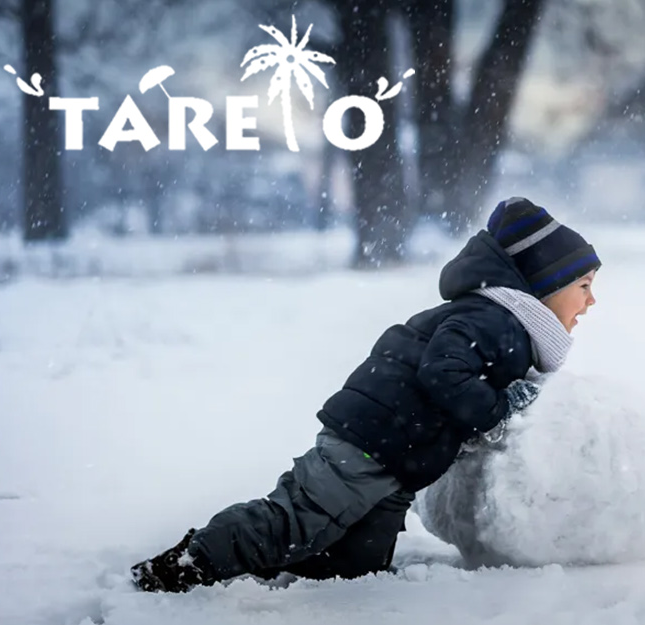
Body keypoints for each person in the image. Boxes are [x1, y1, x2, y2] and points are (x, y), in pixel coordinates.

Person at [129, 197, 601, 592]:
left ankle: (289, 567)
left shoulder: (504, 326)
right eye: (583, 286)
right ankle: (188, 564)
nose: (591, 302)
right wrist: (496, 412)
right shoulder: (493, 320)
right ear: (545, 285)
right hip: (368, 445)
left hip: (398, 462)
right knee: (295, 522)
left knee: (356, 566)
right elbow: (443, 370)